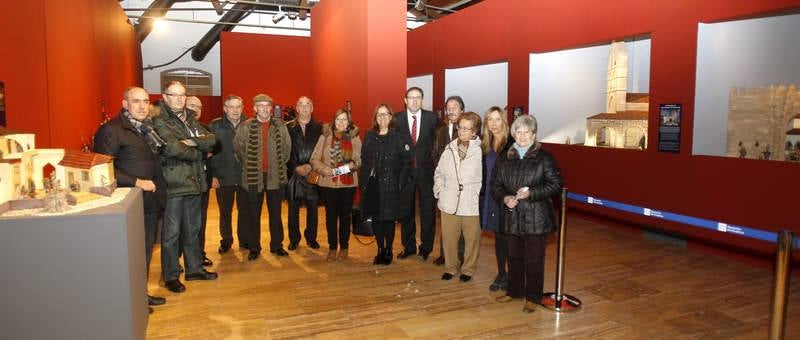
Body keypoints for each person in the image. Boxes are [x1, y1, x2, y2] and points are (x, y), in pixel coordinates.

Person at [93, 86, 167, 314]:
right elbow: (102, 167)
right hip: (131, 203)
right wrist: (136, 181)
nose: (142, 106)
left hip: (150, 202)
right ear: (125, 104)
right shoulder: (111, 130)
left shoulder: (147, 128)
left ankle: (140, 295)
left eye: (145, 101)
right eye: (136, 101)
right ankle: (133, 301)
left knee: (144, 252)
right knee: (133, 255)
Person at [491, 114, 562, 313]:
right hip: (511, 215)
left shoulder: (544, 157)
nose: (522, 136)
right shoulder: (505, 157)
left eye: (526, 132)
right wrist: (505, 198)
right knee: (513, 256)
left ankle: (533, 297)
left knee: (534, 259)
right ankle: (514, 292)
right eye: (518, 132)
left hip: (535, 217)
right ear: (513, 133)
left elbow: (556, 184)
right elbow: (495, 185)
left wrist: (531, 193)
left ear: (533, 134)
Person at [153, 81, 218, 293]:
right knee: (171, 233)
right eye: (175, 95)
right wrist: (198, 149)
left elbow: (213, 141)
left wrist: (190, 142)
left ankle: (194, 269)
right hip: (174, 184)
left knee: (193, 229)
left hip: (195, 181)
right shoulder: (160, 119)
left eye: (183, 95)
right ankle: (170, 275)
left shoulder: (189, 117)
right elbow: (171, 148)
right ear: (165, 97)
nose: (180, 99)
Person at [233, 93, 292, 260]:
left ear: (271, 108)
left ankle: (276, 245)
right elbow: (238, 148)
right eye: (261, 106)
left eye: (267, 106)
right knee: (253, 213)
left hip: (275, 176)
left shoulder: (280, 125)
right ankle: (254, 247)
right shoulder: (245, 126)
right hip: (253, 177)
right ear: (254, 108)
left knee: (275, 213)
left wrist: (277, 164)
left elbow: (287, 148)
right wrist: (250, 164)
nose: (264, 109)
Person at [359, 104, 413, 265]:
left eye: (385, 114)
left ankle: (388, 249)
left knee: (388, 219)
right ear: (375, 118)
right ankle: (379, 249)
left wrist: (400, 183)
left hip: (391, 186)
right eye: (379, 115)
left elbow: (406, 162)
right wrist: (363, 184)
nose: (382, 118)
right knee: (376, 219)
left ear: (391, 117)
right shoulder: (369, 136)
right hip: (373, 185)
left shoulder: (398, 136)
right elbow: (365, 160)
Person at [433, 112, 483, 282]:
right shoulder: (449, 148)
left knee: (471, 240)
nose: (461, 131)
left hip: (470, 202)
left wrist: (477, 193)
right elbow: (439, 172)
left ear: (474, 131)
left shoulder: (480, 151)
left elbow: (486, 177)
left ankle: (467, 270)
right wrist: (439, 190)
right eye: (459, 127)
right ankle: (450, 267)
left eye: (466, 128)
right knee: (449, 238)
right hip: (449, 201)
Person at [394, 87, 440, 260]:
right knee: (406, 210)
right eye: (411, 98)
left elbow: (439, 143)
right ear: (405, 100)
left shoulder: (433, 118)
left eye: (418, 97)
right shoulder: (396, 119)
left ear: (422, 100)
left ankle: (426, 248)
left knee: (428, 211)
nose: (414, 101)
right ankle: (409, 247)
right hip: (405, 173)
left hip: (427, 172)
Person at [310, 109, 361, 261]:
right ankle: (332, 247)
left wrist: (346, 167)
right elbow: (314, 159)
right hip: (328, 184)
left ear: (349, 122)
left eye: (344, 120)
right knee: (330, 217)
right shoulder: (324, 137)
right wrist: (323, 169)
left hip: (348, 183)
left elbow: (359, 160)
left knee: (345, 217)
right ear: (334, 121)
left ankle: (344, 248)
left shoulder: (354, 138)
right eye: (338, 119)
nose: (341, 122)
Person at [209, 95, 249, 254]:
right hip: (222, 177)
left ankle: (244, 240)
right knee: (225, 212)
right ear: (225, 109)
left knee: (244, 211)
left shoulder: (250, 125)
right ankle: (226, 241)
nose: (235, 110)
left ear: (242, 107)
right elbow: (209, 152)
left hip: (245, 176)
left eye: (238, 106)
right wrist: (212, 175)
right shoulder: (215, 126)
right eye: (231, 107)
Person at [481, 106, 513, 292]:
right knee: (499, 237)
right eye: (490, 120)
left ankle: (513, 275)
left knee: (510, 238)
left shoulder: (512, 143)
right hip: (492, 197)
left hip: (508, 198)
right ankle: (501, 273)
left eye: (497, 119)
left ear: (504, 121)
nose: (493, 123)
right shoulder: (486, 145)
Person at [432, 95, 465, 266]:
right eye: (449, 107)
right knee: (445, 221)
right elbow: (435, 155)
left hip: (463, 185)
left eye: (455, 107)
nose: (451, 110)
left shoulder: (469, 131)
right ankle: (444, 254)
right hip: (445, 183)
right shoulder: (441, 131)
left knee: (461, 221)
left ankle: (460, 256)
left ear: (462, 110)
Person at [286, 96, 323, 250]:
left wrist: (311, 166)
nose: (304, 107)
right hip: (294, 174)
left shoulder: (321, 128)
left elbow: (324, 151)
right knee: (293, 210)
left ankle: (311, 238)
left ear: (312, 108)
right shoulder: (287, 127)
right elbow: (282, 151)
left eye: (308, 104)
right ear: (297, 108)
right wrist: (295, 167)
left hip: (313, 173)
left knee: (313, 210)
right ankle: (294, 239)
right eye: (301, 104)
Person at [185, 95, 213, 267]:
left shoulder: (205, 129)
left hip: (202, 183)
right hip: (183, 183)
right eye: (192, 105)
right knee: (183, 224)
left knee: (200, 222)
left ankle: (199, 255)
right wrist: (201, 153)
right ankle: (179, 260)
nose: (196, 110)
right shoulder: (175, 129)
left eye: (199, 107)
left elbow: (212, 154)